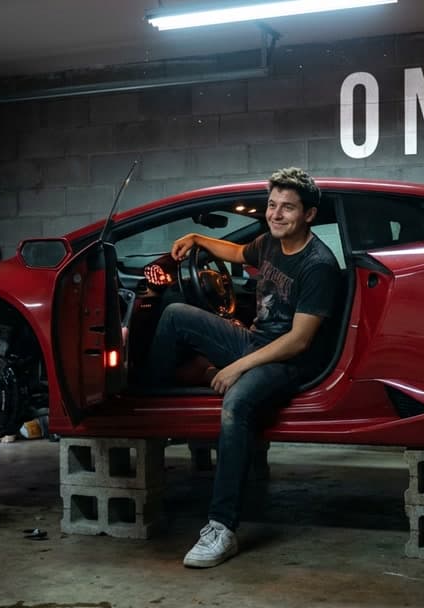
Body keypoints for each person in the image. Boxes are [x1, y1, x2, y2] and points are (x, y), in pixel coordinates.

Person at [145, 167, 340, 568]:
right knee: (176, 314)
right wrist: (197, 238)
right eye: (272, 206)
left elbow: (299, 340)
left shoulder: (317, 263)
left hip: (290, 361)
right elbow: (236, 253)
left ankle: (222, 527)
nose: (276, 214)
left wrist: (238, 366)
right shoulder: (269, 243)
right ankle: (148, 406)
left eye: (288, 208)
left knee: (235, 404)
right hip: (256, 343)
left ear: (308, 215)